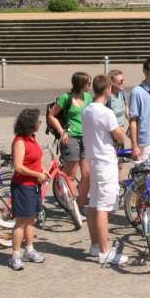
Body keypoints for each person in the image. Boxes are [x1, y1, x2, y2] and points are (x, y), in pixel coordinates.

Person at [82, 74, 129, 266]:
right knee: (103, 207)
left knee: (94, 203)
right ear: (108, 90)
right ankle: (104, 251)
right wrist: (121, 134)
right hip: (105, 161)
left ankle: (95, 244)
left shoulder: (87, 110)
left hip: (93, 160)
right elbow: (119, 136)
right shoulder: (105, 112)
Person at [48, 72, 92, 213]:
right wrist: (61, 131)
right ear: (81, 84)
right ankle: (73, 209)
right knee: (71, 176)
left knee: (87, 175)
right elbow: (51, 115)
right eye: (88, 83)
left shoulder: (88, 98)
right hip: (70, 137)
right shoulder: (65, 98)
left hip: (86, 138)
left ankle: (79, 205)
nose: (90, 86)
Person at [9, 108, 47, 271]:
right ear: (30, 123)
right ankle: (15, 255)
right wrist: (36, 174)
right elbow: (18, 167)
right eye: (38, 120)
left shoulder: (32, 138)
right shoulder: (20, 141)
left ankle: (29, 249)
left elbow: (34, 160)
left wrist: (42, 170)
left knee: (31, 219)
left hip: (33, 186)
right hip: (22, 186)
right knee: (21, 221)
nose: (40, 122)